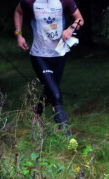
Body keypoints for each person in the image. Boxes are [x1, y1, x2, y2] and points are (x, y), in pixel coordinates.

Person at [13, 0, 83, 133]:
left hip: (59, 53)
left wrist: (70, 29)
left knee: (50, 91)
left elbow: (80, 19)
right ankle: (67, 139)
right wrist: (19, 35)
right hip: (39, 55)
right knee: (56, 95)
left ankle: (37, 112)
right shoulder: (30, 1)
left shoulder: (64, 1)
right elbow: (18, 12)